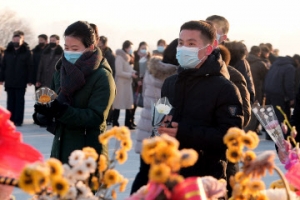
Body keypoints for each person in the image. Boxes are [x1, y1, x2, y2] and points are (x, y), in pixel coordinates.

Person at [158, 20, 243, 188]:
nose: (183, 49)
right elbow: (161, 117)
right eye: (181, 43)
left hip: (207, 179)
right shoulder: (170, 83)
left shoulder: (225, 88)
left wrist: (183, 132)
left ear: (208, 49)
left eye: (191, 44)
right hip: (171, 176)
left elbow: (231, 137)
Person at [34, 21, 116, 163]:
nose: (69, 52)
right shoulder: (61, 71)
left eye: (75, 48)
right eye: (66, 47)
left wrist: (62, 111)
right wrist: (44, 113)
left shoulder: (102, 76)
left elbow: (97, 117)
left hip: (87, 154)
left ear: (90, 47)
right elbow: (54, 102)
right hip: (60, 150)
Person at [131, 39, 178, 194]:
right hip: (160, 131)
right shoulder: (174, 77)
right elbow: (165, 107)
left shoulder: (153, 71)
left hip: (146, 127)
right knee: (156, 178)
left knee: (144, 172)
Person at [0, 32, 33, 126]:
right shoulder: (7, 52)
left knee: (19, 101)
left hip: (20, 81)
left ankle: (18, 120)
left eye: (18, 39)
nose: (16, 41)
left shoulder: (26, 52)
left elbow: (30, 67)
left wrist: (30, 79)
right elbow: (3, 66)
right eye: (15, 39)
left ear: (22, 40)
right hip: (9, 80)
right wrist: (1, 78)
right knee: (10, 101)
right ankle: (10, 120)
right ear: (12, 40)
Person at [264, 56, 295, 140]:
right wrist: (291, 97)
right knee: (282, 115)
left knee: (271, 115)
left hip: (269, 91)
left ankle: (270, 135)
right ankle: (282, 136)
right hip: (280, 94)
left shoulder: (274, 65)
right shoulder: (290, 68)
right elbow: (289, 84)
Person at [112, 40, 138, 129]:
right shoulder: (119, 57)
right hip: (121, 84)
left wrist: (134, 72)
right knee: (118, 105)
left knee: (128, 105)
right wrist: (131, 75)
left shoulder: (128, 57)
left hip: (127, 84)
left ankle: (128, 123)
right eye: (131, 47)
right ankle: (115, 122)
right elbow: (119, 72)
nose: (131, 49)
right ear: (126, 47)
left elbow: (128, 69)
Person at [245, 46, 268, 134]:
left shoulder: (244, 61)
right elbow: (266, 78)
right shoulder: (261, 64)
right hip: (257, 90)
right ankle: (253, 129)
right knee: (257, 110)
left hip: (245, 88)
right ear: (259, 53)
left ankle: (247, 128)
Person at [132, 42, 151, 127]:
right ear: (139, 48)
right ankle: (131, 119)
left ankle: (145, 121)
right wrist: (137, 80)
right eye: (142, 48)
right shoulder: (135, 58)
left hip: (146, 85)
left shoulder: (150, 59)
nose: (144, 50)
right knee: (135, 102)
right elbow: (133, 71)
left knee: (145, 103)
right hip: (136, 84)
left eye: (145, 48)